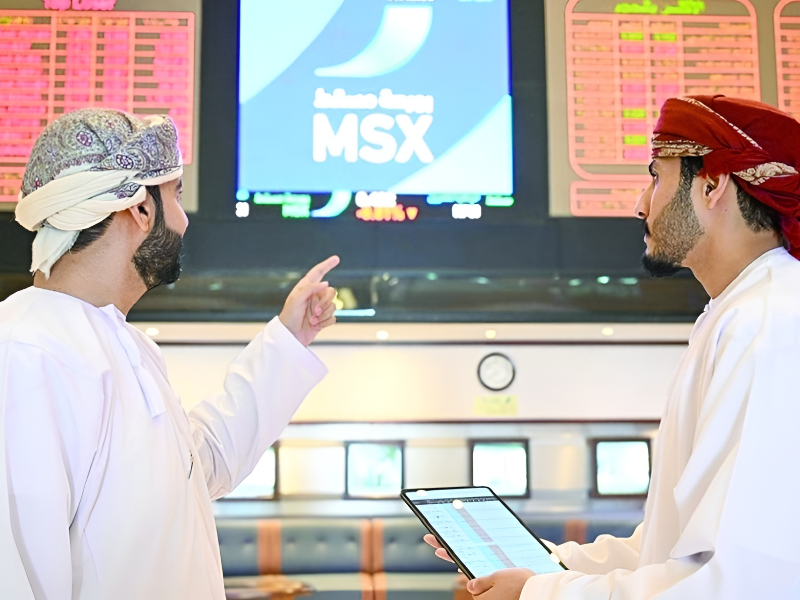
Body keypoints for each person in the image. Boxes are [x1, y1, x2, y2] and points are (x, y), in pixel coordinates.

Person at [425, 95, 800, 598]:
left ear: (713, 185)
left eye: (656, 177)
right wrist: (546, 564)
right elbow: (673, 545)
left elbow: (737, 580)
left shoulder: (769, 322)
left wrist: (539, 592)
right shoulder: (738, 313)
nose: (641, 204)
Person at [0, 109, 339, 599]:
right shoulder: (26, 351)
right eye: (175, 195)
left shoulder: (127, 345)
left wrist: (288, 341)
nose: (182, 219)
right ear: (140, 209)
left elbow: (196, 469)